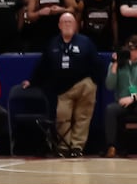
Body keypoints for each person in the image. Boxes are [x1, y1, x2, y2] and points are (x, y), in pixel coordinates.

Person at [21, 12, 100, 157]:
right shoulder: (52, 43)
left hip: (84, 85)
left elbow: (96, 63)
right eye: (64, 22)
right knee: (62, 117)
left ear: (75, 25)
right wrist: (32, 81)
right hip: (62, 89)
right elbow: (42, 65)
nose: (67, 24)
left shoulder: (85, 42)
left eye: (70, 22)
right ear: (59, 25)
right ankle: (64, 147)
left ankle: (77, 147)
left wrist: (94, 82)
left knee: (82, 117)